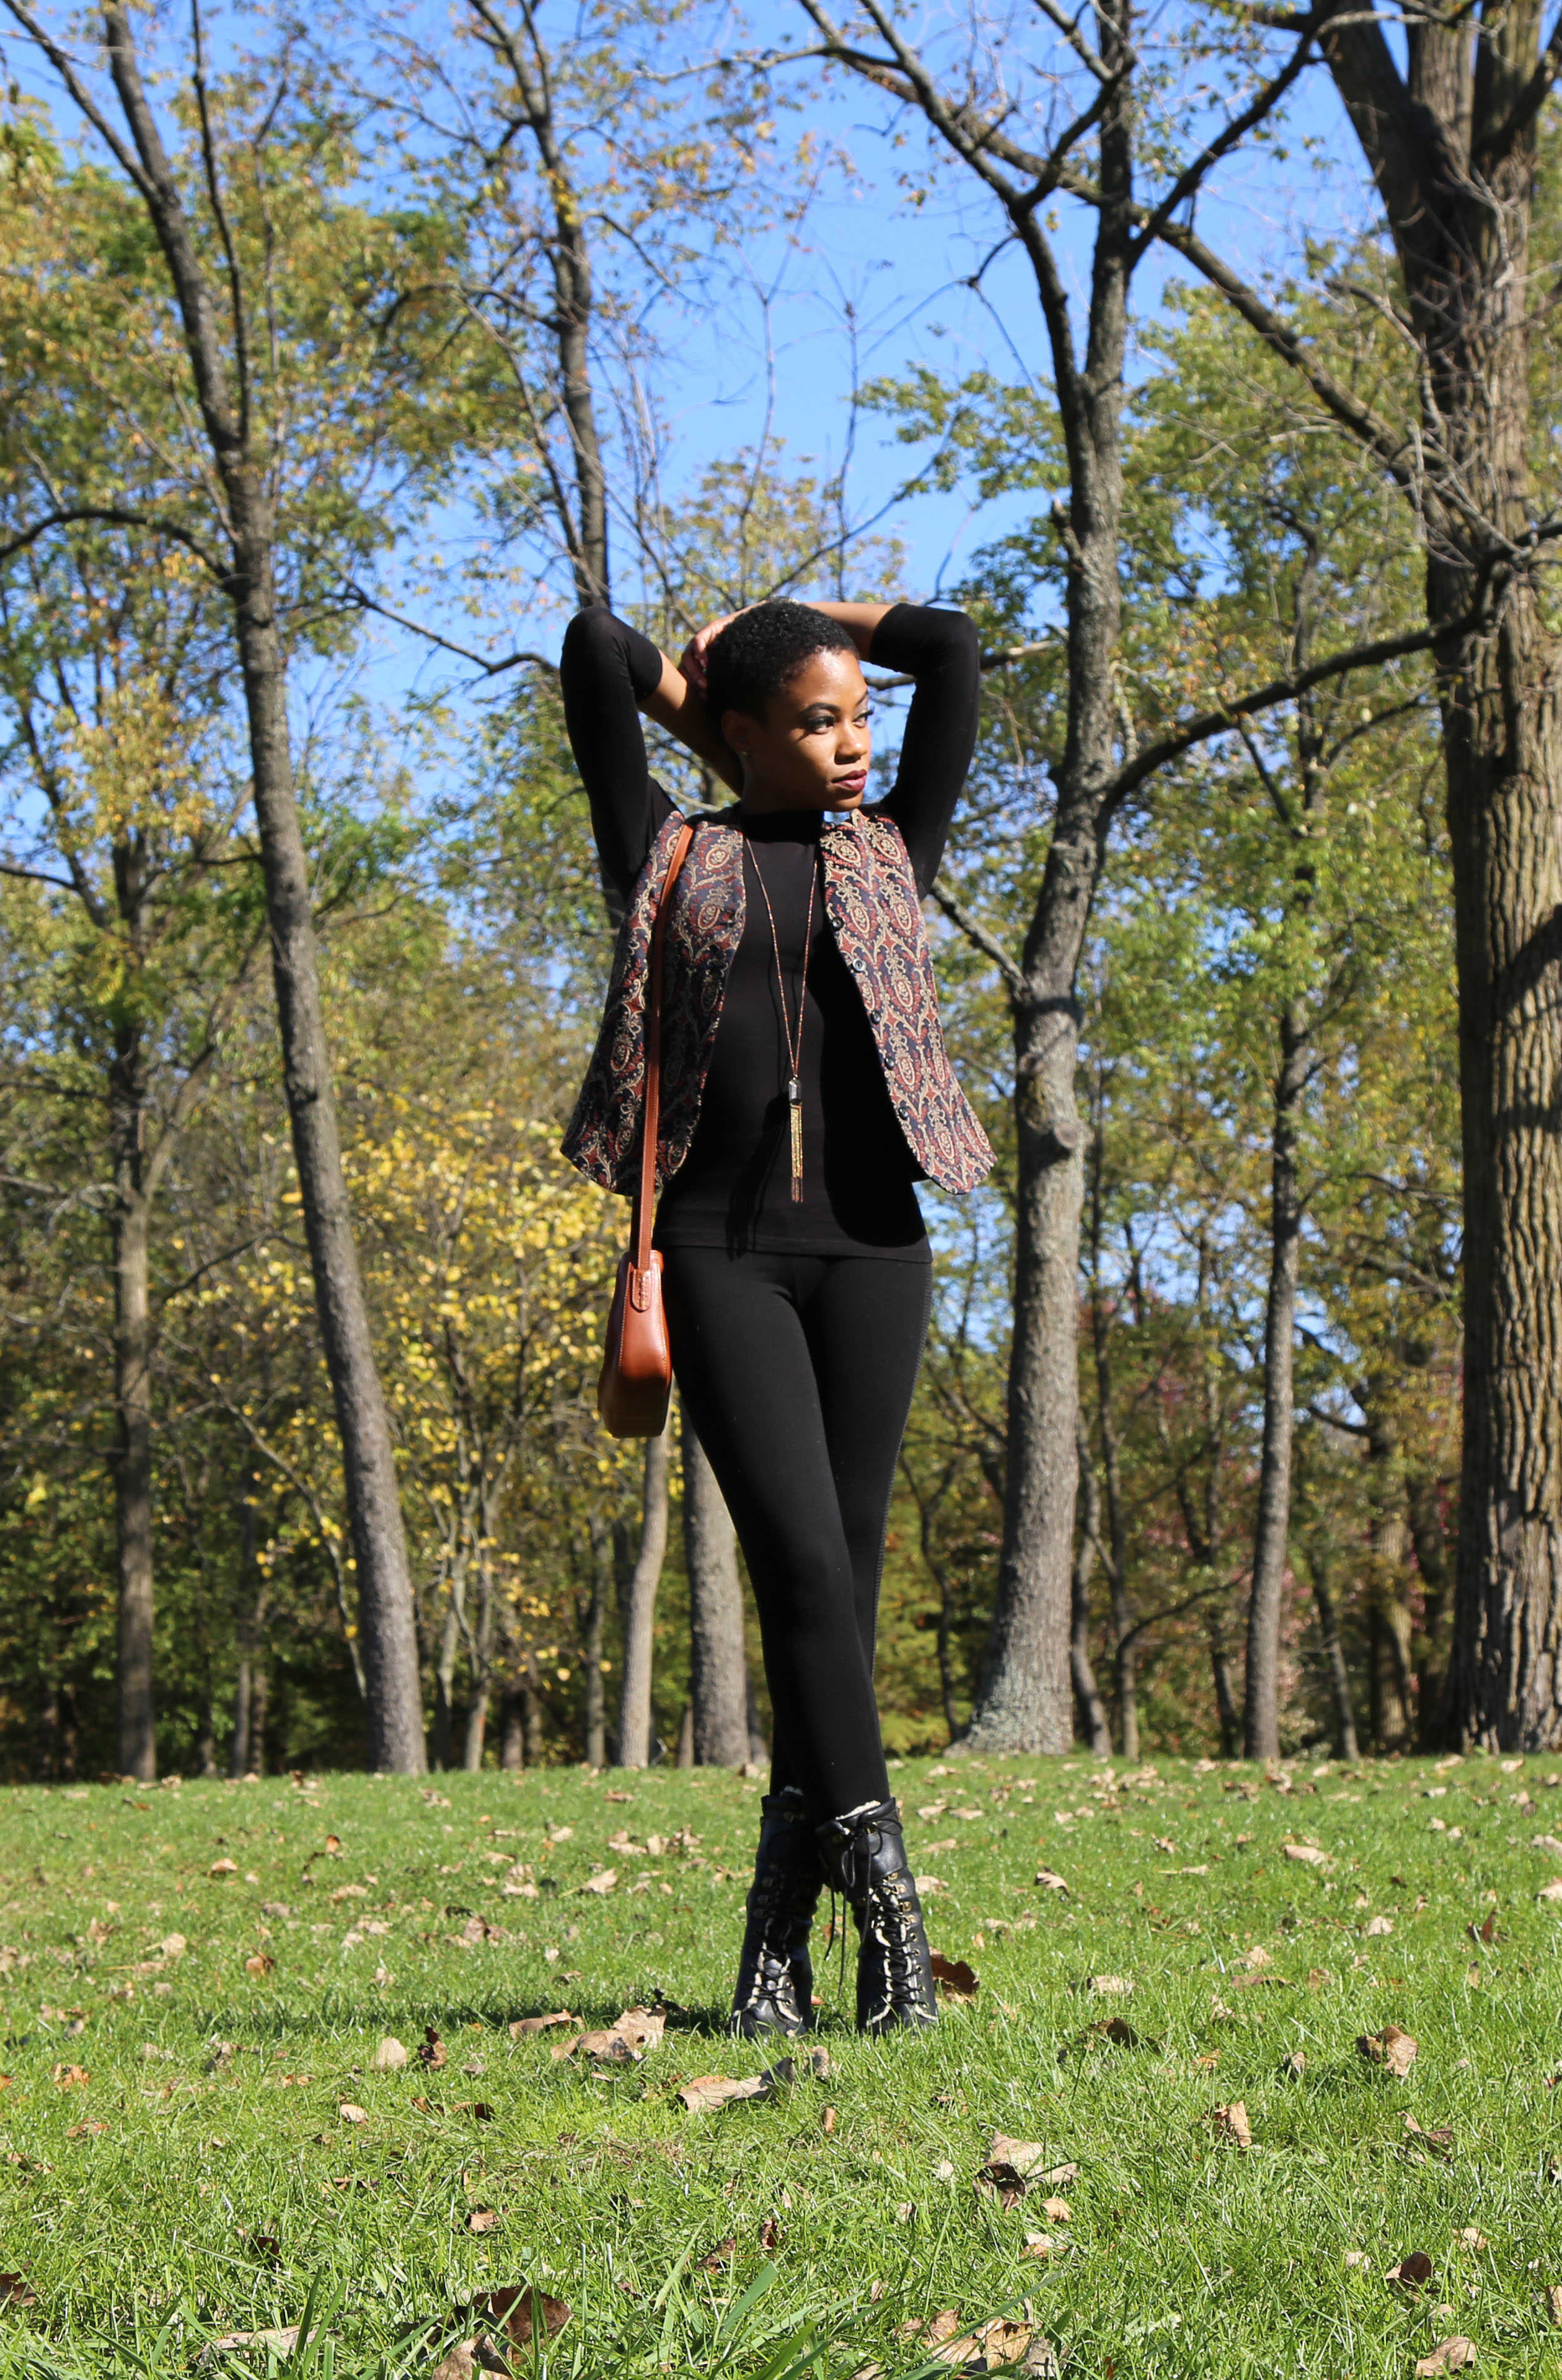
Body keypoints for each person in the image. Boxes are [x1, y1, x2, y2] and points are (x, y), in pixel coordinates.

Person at [557, 591, 989, 2034]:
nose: (860, 741)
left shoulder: (889, 851)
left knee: (843, 1606)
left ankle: (769, 1956)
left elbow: (958, 651)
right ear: (745, 732)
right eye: (821, 720)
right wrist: (714, 706)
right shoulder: (670, 851)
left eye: (863, 714)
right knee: (802, 1568)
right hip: (715, 1257)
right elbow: (594, 653)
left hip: (877, 1251)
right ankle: (894, 1924)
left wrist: (832, 629)